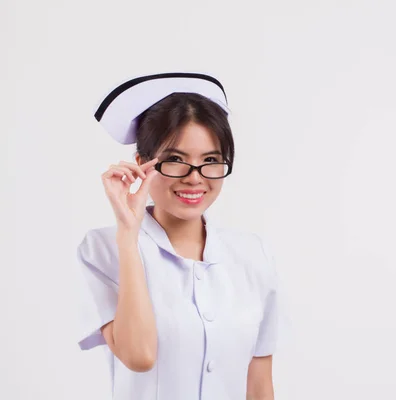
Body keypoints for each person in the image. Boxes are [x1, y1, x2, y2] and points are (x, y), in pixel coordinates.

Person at [77, 73, 281, 400]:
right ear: (142, 164)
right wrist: (128, 236)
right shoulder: (103, 249)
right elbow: (139, 356)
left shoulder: (253, 254)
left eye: (210, 161)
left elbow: (259, 384)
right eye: (175, 160)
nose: (194, 178)